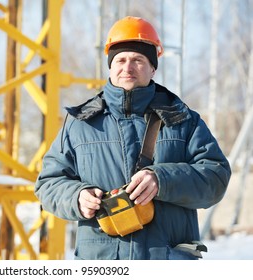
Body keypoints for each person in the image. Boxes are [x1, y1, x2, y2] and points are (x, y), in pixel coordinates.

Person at [34, 16, 231, 260]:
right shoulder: (79, 124)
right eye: (121, 60)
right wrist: (76, 196)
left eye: (138, 60)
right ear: (110, 65)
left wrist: (163, 180)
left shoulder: (183, 120)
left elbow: (216, 177)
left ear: (153, 68)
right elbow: (48, 184)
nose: (127, 68)